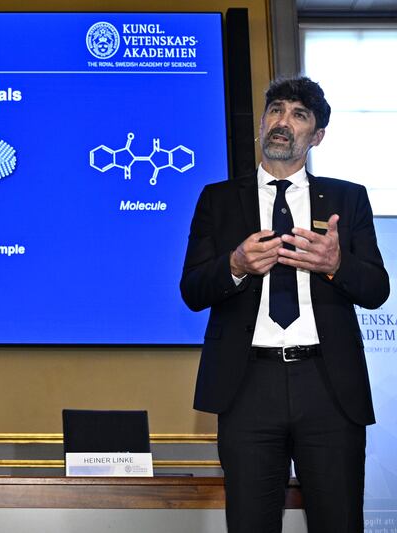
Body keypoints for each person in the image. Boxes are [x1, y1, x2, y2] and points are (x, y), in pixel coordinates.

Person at [180, 77, 389, 533]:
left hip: (329, 387)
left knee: (339, 522)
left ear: (316, 136)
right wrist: (234, 265)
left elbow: (377, 290)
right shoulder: (217, 199)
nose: (283, 122)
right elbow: (193, 290)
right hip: (247, 386)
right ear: (261, 124)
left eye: (299, 114)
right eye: (275, 110)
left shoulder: (346, 199)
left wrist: (336, 263)